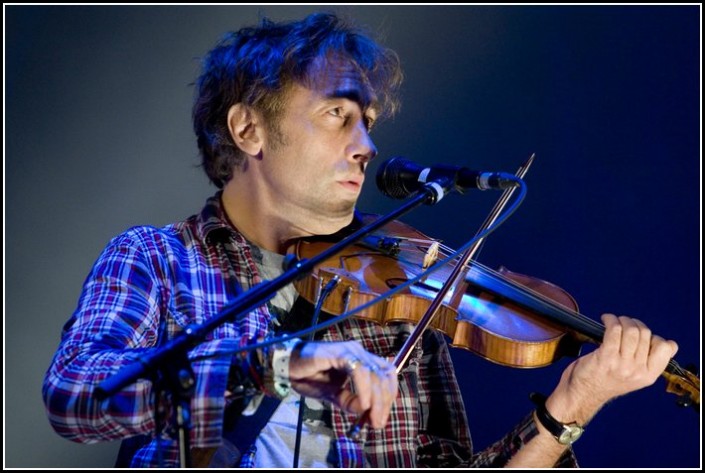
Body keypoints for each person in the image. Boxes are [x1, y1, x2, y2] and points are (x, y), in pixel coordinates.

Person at [42, 12, 678, 468]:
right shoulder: (158, 258)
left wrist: (568, 408)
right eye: (337, 115)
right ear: (247, 129)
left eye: (367, 122)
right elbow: (77, 396)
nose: (368, 146)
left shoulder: (401, 304)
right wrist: (276, 368)